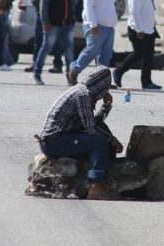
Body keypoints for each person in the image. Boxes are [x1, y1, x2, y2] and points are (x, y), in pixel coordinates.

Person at [35, 66, 123, 200]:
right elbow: (91, 128)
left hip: (62, 138)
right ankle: (96, 187)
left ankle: (95, 180)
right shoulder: (83, 95)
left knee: (104, 141)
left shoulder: (83, 91)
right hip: (54, 141)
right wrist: (112, 140)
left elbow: (92, 122)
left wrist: (106, 106)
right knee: (99, 142)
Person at [115, 0, 162, 90]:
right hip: (138, 30)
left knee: (148, 55)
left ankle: (146, 82)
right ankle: (119, 72)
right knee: (138, 53)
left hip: (149, 29)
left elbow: (147, 8)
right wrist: (139, 29)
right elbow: (134, 12)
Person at [33, 0, 77, 85]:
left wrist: (73, 18)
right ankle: (36, 73)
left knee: (69, 51)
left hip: (67, 24)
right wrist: (45, 22)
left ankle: (70, 76)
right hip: (52, 24)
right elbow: (43, 4)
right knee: (46, 48)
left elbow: (73, 2)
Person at [71, 0, 119, 78]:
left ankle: (101, 80)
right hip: (95, 26)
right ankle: (74, 70)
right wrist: (93, 25)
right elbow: (88, 7)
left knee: (106, 56)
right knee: (92, 51)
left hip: (109, 27)